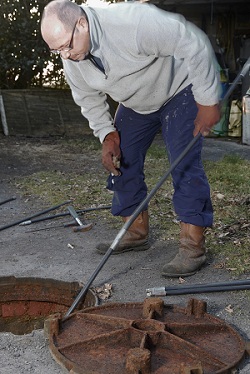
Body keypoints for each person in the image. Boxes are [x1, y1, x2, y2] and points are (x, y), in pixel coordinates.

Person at [41, 0, 221, 277]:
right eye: (56, 51)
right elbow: (87, 98)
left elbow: (192, 41)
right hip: (136, 104)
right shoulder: (72, 58)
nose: (64, 56)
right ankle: (135, 231)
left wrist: (208, 100)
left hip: (179, 91)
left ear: (82, 24)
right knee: (120, 160)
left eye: (66, 46)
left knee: (183, 164)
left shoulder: (133, 22)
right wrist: (107, 133)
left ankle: (192, 247)